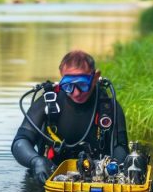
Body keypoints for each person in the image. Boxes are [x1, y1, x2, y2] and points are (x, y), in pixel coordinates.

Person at [12, 50, 128, 184]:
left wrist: (113, 168)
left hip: (97, 181)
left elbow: (121, 147)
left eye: (82, 84)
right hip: (49, 179)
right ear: (61, 76)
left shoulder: (107, 107)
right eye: (68, 86)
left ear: (95, 77)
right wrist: (35, 161)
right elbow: (20, 141)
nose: (76, 93)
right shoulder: (48, 101)